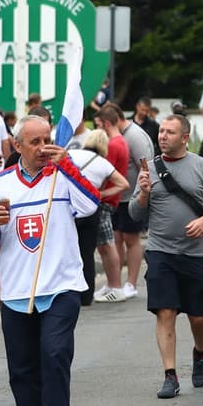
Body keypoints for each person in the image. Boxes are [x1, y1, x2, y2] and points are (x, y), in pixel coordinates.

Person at [0, 116, 100, 406]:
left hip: (62, 285)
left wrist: (68, 168)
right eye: (34, 142)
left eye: (46, 139)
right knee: (21, 365)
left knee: (53, 354)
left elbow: (91, 204)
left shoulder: (62, 177)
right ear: (17, 146)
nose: (42, 147)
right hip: (18, 290)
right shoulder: (1, 183)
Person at [130, 114, 203, 399]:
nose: (163, 136)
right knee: (166, 311)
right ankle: (170, 375)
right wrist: (143, 194)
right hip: (161, 251)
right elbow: (136, 214)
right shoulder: (148, 169)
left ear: (185, 137)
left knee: (198, 317)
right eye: (161, 131)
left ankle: (199, 351)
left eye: (170, 132)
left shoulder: (201, 166)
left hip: (197, 254)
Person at [96, 103, 153, 300]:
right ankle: (116, 283)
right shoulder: (118, 136)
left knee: (132, 239)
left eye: (100, 125)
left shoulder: (134, 136)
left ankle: (131, 283)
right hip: (118, 198)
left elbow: (145, 167)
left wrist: (142, 195)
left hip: (132, 197)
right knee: (117, 238)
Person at [68, 129, 129, 305]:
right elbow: (124, 184)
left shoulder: (72, 153)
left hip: (70, 207)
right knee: (87, 253)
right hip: (91, 210)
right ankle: (86, 296)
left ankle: (69, 291)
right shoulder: (103, 163)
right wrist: (101, 193)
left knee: (70, 251)